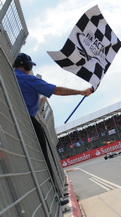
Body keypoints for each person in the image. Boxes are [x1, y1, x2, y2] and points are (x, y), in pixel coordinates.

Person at [13, 52, 93, 205]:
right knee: (42, 160)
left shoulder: (11, 77)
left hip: (14, 123)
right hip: (28, 123)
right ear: (27, 66)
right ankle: (55, 195)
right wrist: (81, 92)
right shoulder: (28, 79)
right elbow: (57, 90)